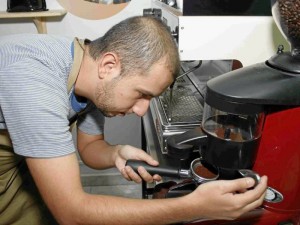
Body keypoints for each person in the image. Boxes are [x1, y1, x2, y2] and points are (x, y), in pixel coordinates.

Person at [0, 16, 267, 225]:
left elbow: (89, 146)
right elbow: (72, 213)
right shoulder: (35, 83)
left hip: (19, 167)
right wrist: (193, 207)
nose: (141, 110)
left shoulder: (86, 67)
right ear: (109, 66)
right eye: (141, 94)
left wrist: (116, 153)